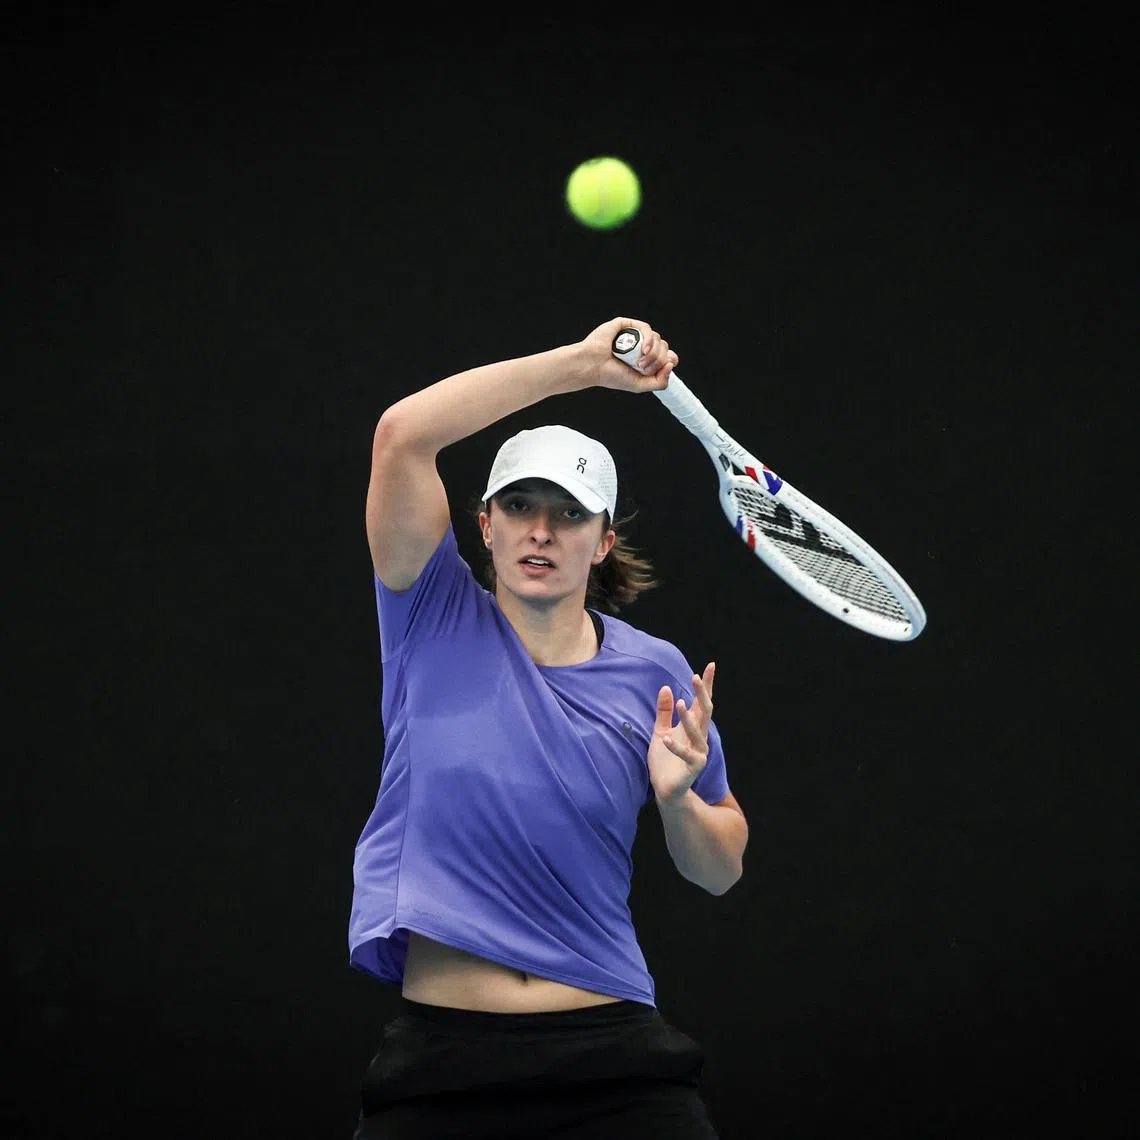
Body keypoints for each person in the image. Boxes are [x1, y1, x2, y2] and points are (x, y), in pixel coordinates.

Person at [349, 317, 749, 1139]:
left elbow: (719, 871)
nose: (541, 529)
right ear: (485, 524)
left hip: (614, 1060)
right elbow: (402, 435)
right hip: (442, 1066)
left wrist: (679, 800)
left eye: (570, 513)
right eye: (520, 504)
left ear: (603, 542)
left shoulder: (656, 674)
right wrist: (582, 366)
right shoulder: (429, 614)